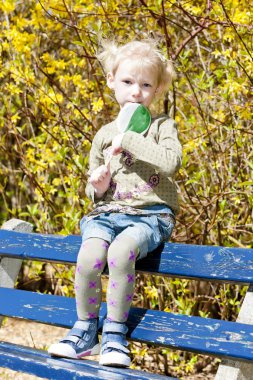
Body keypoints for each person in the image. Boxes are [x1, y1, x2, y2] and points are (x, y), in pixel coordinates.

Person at [48, 39, 182, 368]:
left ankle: (115, 334)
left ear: (158, 88)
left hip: (150, 216)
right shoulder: (104, 133)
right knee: (90, 255)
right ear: (111, 80)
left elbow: (172, 162)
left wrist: (131, 140)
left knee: (121, 253)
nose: (136, 91)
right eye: (127, 82)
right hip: (107, 215)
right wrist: (97, 186)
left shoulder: (161, 126)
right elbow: (95, 191)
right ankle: (84, 332)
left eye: (146, 84)